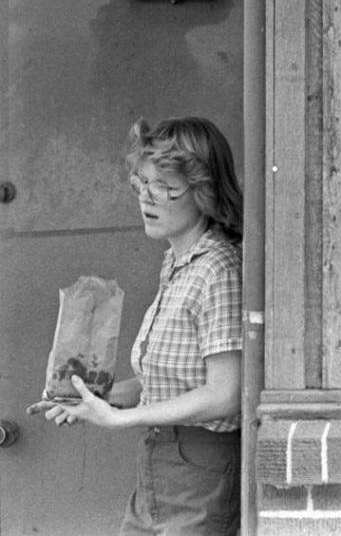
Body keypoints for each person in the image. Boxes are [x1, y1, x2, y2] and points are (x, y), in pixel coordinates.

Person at [28, 116, 244, 535]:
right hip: (160, 463)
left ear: (204, 192)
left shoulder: (218, 269)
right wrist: (94, 398)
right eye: (141, 184)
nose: (148, 198)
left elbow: (225, 394)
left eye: (166, 188)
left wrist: (120, 419)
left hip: (201, 470)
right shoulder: (179, 263)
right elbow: (168, 384)